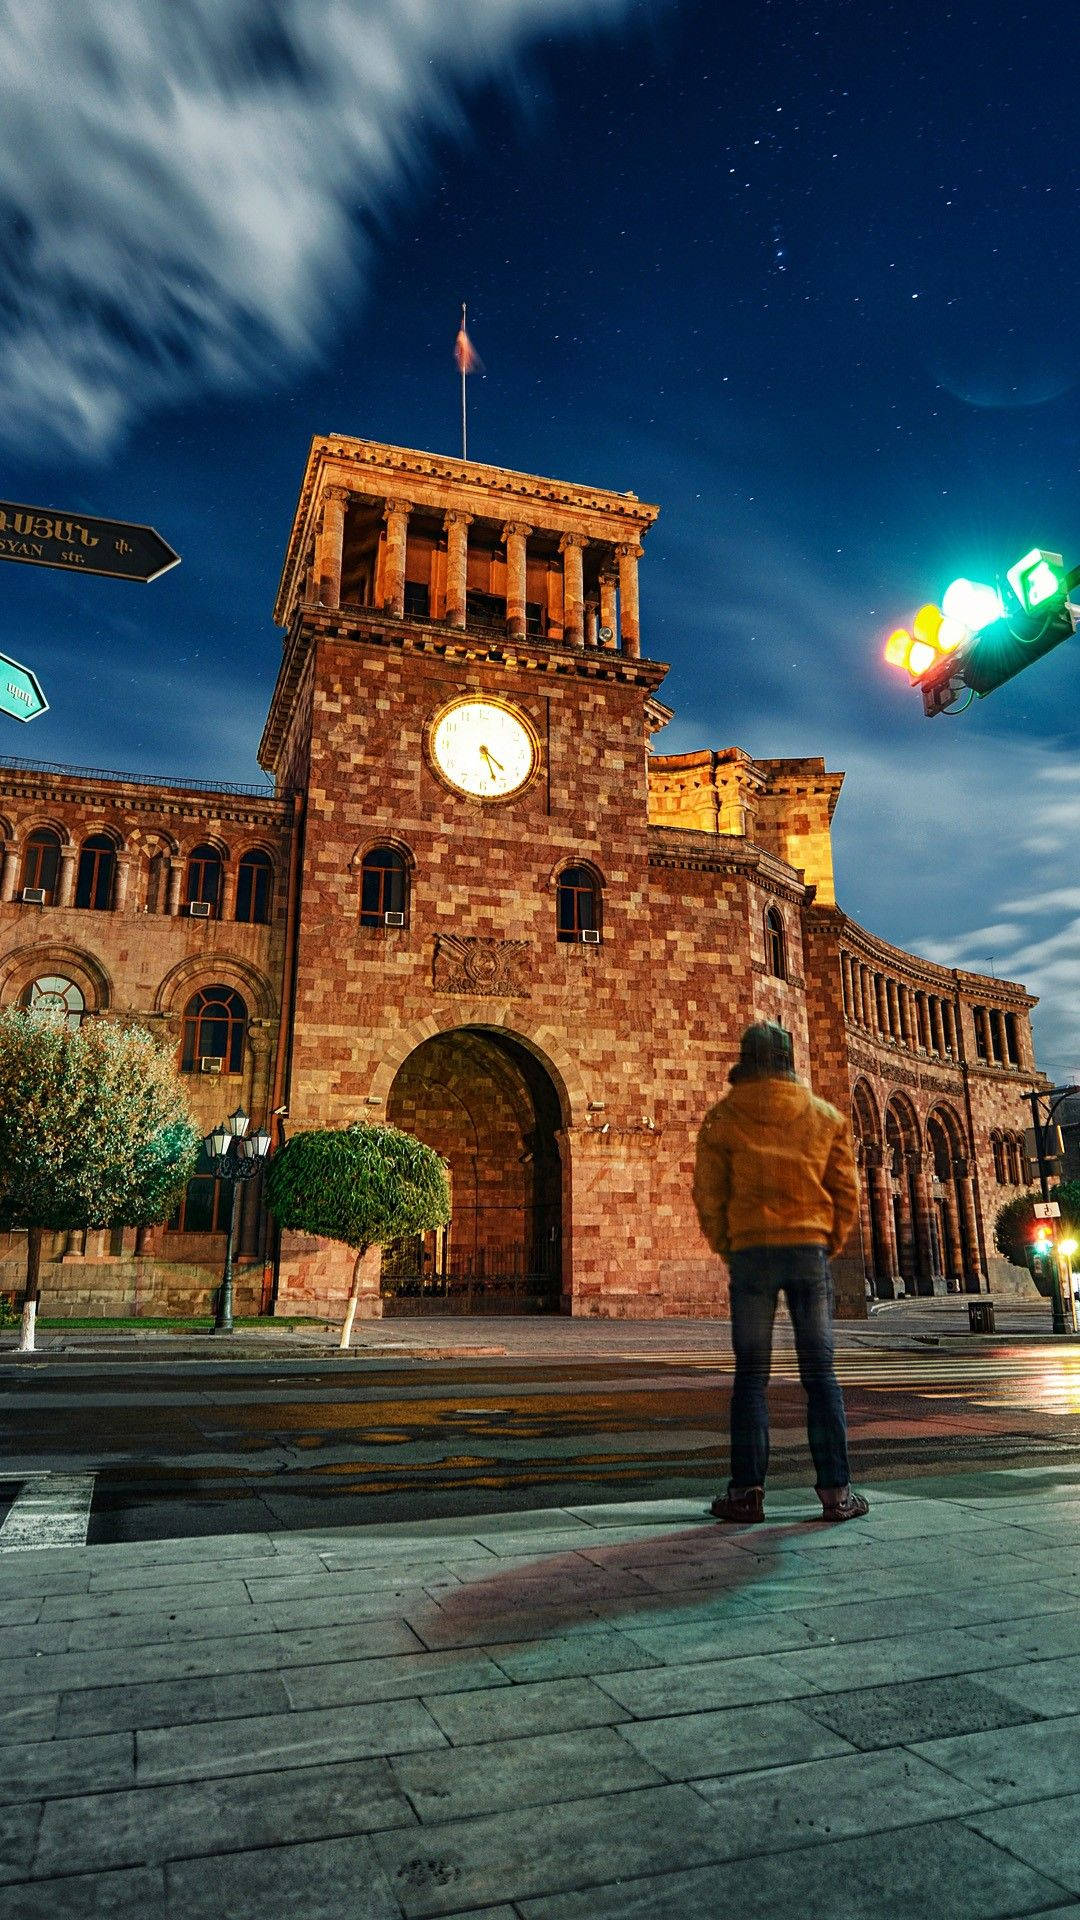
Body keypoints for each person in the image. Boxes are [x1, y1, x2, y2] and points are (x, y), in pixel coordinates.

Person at [692, 1020, 869, 1524]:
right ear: (790, 1063)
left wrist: (730, 1245)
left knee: (750, 1378)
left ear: (745, 1064)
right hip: (808, 1251)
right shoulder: (825, 1116)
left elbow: (709, 1195)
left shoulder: (723, 1118)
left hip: (751, 1254)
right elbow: (847, 1195)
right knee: (820, 1375)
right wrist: (824, 1244)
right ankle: (836, 1495)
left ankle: (746, 1494)